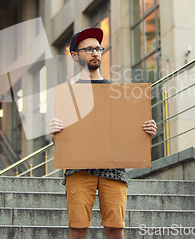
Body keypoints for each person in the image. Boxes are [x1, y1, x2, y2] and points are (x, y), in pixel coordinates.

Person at [48, 28, 157, 239]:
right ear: (74, 55)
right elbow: (64, 139)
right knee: (77, 230)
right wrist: (55, 131)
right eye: (89, 49)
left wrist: (145, 130)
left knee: (116, 229)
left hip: (113, 169)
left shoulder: (116, 92)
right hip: (78, 169)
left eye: (98, 48)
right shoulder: (66, 94)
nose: (96, 53)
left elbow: (124, 131)